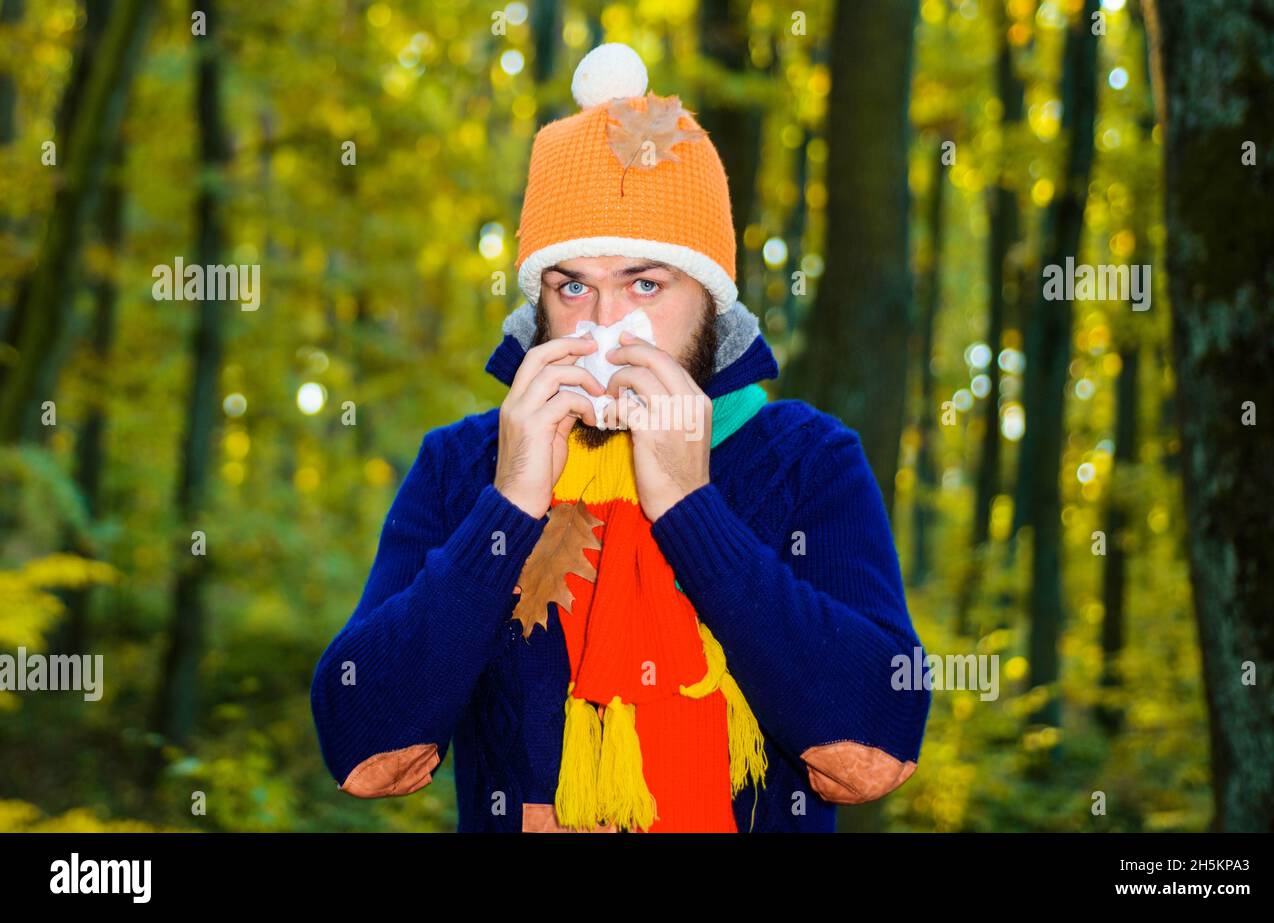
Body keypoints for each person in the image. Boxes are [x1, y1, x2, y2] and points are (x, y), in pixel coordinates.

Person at [310, 42, 931, 833]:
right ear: (537, 304)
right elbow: (362, 740)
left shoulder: (807, 460)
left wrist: (690, 507)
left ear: (711, 304)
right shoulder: (462, 465)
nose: (605, 327)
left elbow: (878, 735)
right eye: (572, 286)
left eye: (645, 283)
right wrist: (507, 507)